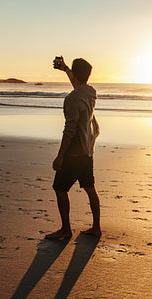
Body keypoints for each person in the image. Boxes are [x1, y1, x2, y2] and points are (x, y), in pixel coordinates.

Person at [45, 56, 101, 239]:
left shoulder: (72, 98)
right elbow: (78, 85)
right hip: (88, 150)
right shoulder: (90, 92)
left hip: (75, 151)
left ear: (76, 75)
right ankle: (96, 227)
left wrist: (60, 156)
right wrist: (66, 69)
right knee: (89, 187)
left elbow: (69, 130)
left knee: (60, 188)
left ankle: (66, 230)